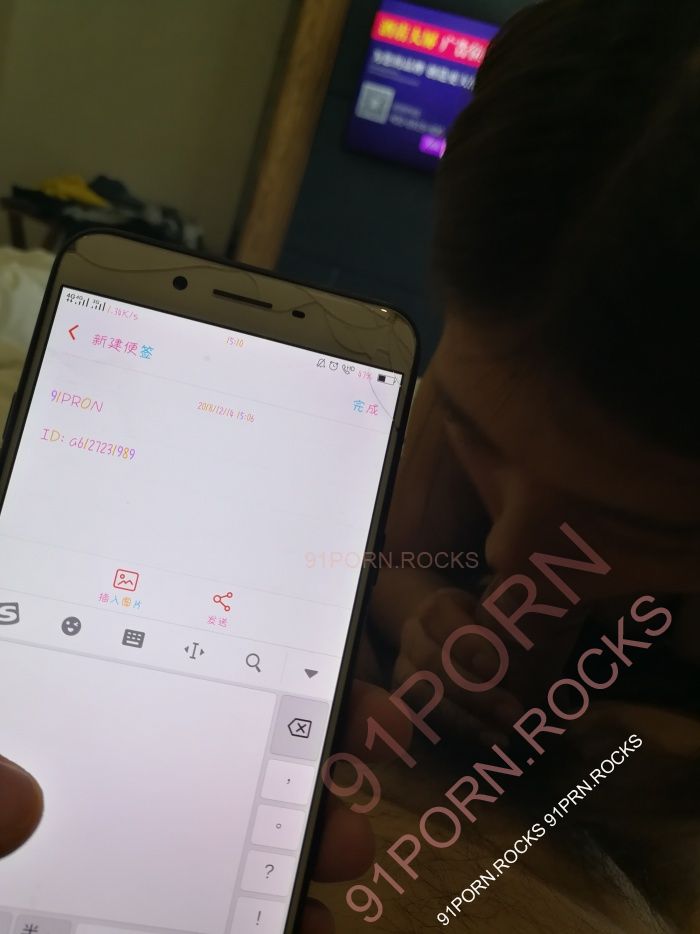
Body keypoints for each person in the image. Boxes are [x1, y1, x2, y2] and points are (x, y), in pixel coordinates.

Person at [4, 0, 700, 930]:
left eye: (637, 522)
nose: (509, 546)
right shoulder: (482, 372)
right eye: (480, 441)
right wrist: (419, 612)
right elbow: (389, 569)